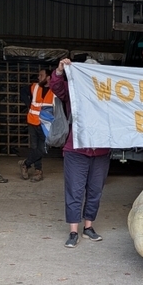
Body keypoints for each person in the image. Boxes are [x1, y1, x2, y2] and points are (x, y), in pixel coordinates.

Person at [50, 58, 110, 248]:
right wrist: (59, 71)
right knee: (74, 191)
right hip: (76, 149)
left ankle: (88, 227)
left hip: (101, 150)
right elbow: (56, 87)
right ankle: (73, 231)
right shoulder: (73, 90)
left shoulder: (107, 94)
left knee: (95, 191)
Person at [20, 68, 54, 182]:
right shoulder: (34, 87)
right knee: (35, 148)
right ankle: (38, 171)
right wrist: (29, 104)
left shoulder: (55, 89)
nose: (38, 77)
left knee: (43, 149)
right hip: (33, 121)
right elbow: (22, 91)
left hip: (46, 124)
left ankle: (26, 164)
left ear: (48, 77)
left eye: (41, 75)